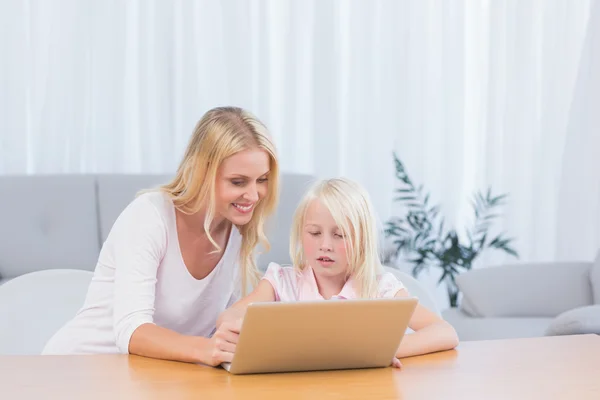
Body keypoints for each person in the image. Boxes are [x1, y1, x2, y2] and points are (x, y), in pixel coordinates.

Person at [42, 106, 280, 367]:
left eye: (262, 180)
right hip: (75, 370)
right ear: (202, 172)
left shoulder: (237, 231)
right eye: (238, 182)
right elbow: (132, 330)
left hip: (149, 378)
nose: (254, 195)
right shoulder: (150, 217)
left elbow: (219, 330)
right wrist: (207, 350)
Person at [216, 178, 459, 367]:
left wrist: (384, 351)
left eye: (339, 235)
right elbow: (230, 316)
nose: (325, 245)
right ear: (301, 234)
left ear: (362, 239)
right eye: (314, 233)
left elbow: (445, 333)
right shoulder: (282, 282)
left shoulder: (380, 289)